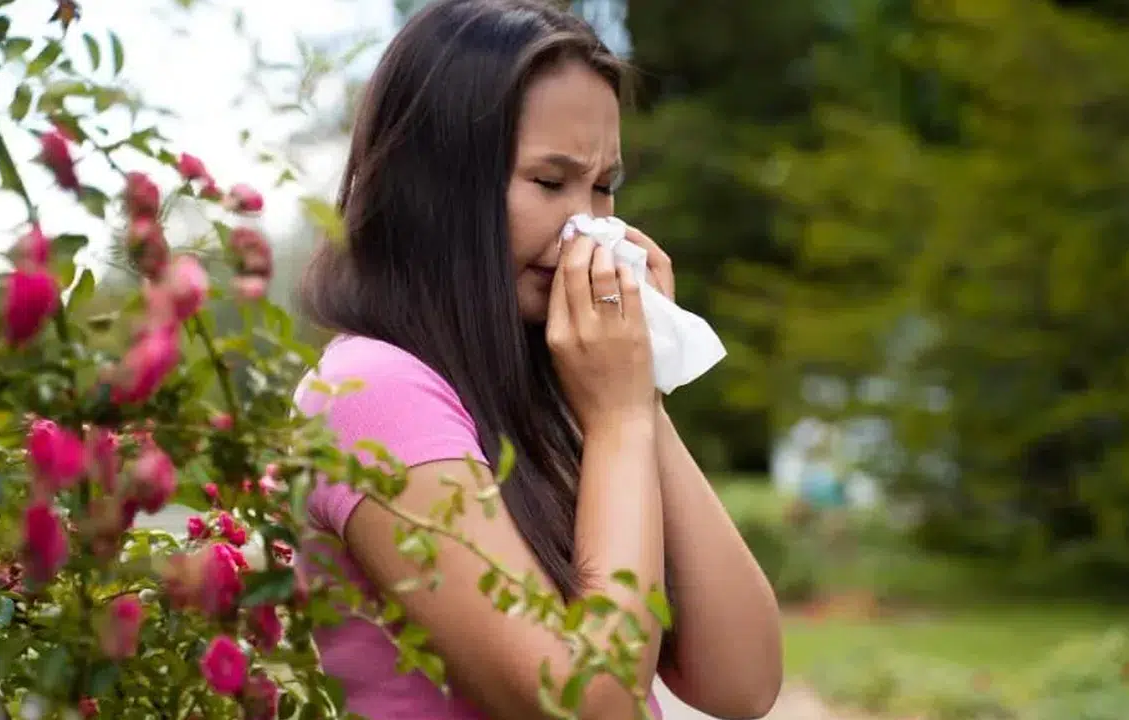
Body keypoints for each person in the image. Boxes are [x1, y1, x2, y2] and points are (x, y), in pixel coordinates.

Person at [295, 1, 783, 718]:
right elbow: (589, 707)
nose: (591, 226)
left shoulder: (550, 391)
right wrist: (616, 421)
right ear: (435, 190)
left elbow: (742, 682)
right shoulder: (374, 391)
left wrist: (638, 395)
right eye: (551, 183)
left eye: (605, 186)